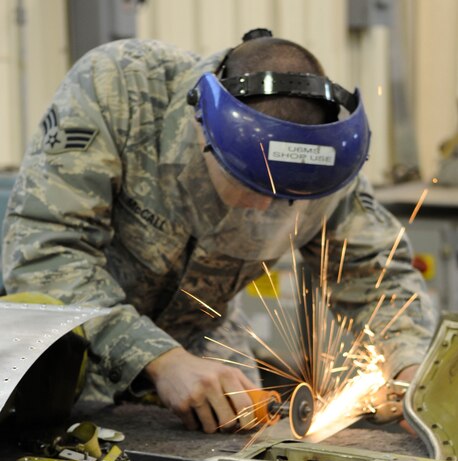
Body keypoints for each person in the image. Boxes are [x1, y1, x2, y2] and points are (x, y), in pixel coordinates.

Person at [1, 29, 437, 435]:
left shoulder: (320, 161)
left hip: (207, 351)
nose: (266, 208)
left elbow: (376, 279)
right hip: (68, 357)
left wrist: (410, 369)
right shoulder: (120, 90)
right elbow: (46, 256)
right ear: (202, 128)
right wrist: (159, 357)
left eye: (288, 198)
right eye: (249, 184)